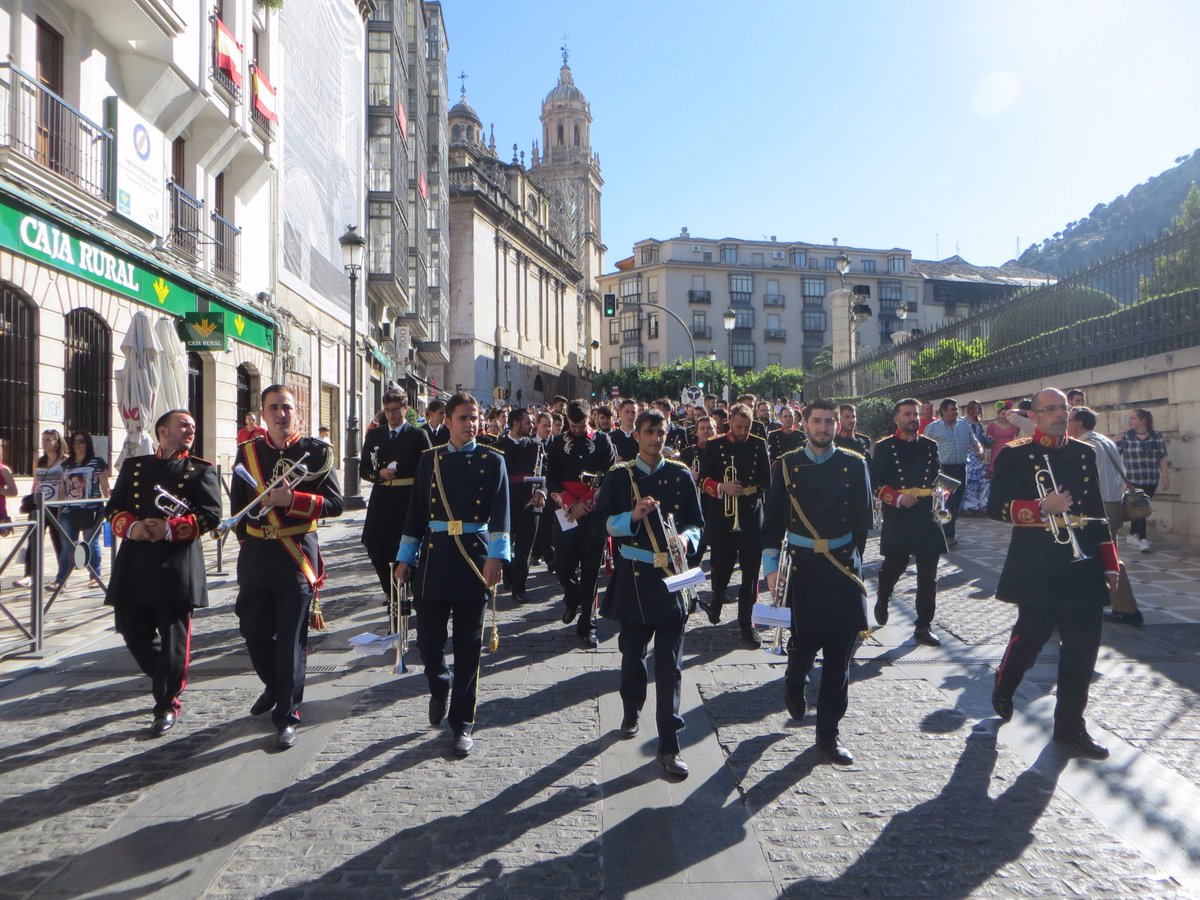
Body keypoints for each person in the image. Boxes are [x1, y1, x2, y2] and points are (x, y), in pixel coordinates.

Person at [988, 388, 1119, 759]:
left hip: (1083, 565)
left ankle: (1070, 728)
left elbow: (1096, 511)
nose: (1060, 414)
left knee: (1082, 649)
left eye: (1064, 408)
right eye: (1051, 409)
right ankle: (1004, 683)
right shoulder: (1016, 453)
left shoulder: (1084, 452)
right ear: (1034, 415)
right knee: (1030, 637)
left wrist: (1109, 560)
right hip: (1038, 563)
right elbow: (995, 507)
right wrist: (1041, 506)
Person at [394, 392, 510, 757]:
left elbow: (502, 513)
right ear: (448, 421)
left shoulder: (493, 461)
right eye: (463, 417)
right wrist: (404, 557)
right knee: (428, 643)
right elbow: (414, 512)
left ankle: (462, 723)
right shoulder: (430, 460)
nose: (470, 424)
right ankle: (439, 682)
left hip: (473, 558)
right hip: (433, 559)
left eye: (474, 417)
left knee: (468, 646)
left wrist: (498, 557)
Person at [231, 384, 343, 749]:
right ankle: (277, 685)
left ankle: (287, 715)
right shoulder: (247, 452)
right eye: (274, 408)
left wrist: (291, 499)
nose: (281, 414)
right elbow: (237, 510)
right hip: (257, 557)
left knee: (291, 640)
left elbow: (336, 504)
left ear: (299, 413)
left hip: (296, 556)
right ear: (263, 414)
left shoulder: (317, 452)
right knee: (252, 630)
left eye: (287, 407)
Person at [762, 399, 872, 765]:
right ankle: (794, 683)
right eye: (817, 421)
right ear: (805, 424)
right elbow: (773, 521)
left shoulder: (855, 465)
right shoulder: (787, 465)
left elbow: (862, 522)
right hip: (801, 567)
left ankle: (828, 734)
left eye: (829, 422)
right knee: (804, 646)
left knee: (840, 656)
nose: (823, 428)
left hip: (841, 567)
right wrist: (771, 567)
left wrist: (852, 563)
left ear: (837, 426)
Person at [596, 408, 703, 778]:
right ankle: (631, 708)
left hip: (672, 578)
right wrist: (633, 517)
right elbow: (602, 522)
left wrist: (687, 541)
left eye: (661, 432)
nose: (656, 438)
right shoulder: (619, 476)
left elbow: (696, 522)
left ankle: (670, 746)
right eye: (649, 432)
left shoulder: (680, 474)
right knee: (632, 656)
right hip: (634, 577)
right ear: (637, 436)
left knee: (670, 667)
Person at [105, 410, 221, 735]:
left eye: (194, 427)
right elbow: (113, 509)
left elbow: (211, 516)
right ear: (162, 430)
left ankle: (166, 702)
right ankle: (167, 677)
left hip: (176, 564)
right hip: (136, 562)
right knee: (132, 631)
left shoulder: (200, 470)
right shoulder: (134, 466)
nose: (190, 430)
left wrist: (170, 529)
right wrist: (135, 526)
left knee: (173, 642)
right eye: (183, 425)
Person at [870, 398, 947, 647]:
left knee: (929, 576)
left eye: (915, 414)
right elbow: (875, 483)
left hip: (926, 514)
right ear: (896, 419)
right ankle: (883, 596)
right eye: (907, 414)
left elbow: (937, 476)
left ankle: (924, 625)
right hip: (900, 513)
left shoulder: (929, 445)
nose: (913, 418)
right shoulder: (885, 447)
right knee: (895, 565)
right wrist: (897, 497)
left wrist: (944, 492)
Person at [699, 403, 771, 645]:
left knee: (750, 575)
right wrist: (722, 487)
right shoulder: (715, 444)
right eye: (739, 427)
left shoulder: (759, 444)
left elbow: (766, 482)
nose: (743, 432)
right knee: (721, 568)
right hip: (723, 515)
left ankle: (746, 624)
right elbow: (702, 481)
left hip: (751, 515)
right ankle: (717, 599)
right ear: (730, 421)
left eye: (747, 427)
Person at [546, 400, 616, 648]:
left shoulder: (602, 441)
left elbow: (610, 477)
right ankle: (572, 594)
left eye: (581, 424)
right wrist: (570, 503)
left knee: (590, 573)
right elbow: (551, 480)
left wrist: (587, 503)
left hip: (592, 513)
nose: (577, 429)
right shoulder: (556, 443)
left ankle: (587, 624)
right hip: (566, 514)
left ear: (591, 418)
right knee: (562, 566)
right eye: (573, 425)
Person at [1068, 406, 1143, 625]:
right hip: (1116, 507)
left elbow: (1080, 483)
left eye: (1069, 419)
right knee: (1109, 557)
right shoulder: (1106, 441)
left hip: (1099, 510)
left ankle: (1079, 609)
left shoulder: (1084, 446)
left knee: (1085, 557)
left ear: (1079, 423)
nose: (1066, 423)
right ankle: (1126, 609)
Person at [359, 390, 432, 603]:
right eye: (388, 411)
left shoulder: (418, 436)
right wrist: (378, 474)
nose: (392, 415)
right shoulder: (375, 435)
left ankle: (409, 595)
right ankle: (392, 594)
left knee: (408, 551)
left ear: (405, 409)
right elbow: (363, 469)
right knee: (377, 550)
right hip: (381, 502)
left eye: (396, 410)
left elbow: (428, 469)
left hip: (407, 501)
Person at [495, 407, 546, 602]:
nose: (531, 426)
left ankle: (520, 587)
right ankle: (508, 575)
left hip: (529, 503)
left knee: (525, 548)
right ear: (516, 423)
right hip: (506, 504)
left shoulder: (536, 447)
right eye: (528, 422)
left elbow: (545, 473)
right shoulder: (498, 446)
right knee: (506, 545)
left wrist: (542, 491)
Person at [920, 398, 983, 548]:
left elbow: (974, 442)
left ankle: (946, 532)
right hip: (943, 470)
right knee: (946, 502)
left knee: (957, 504)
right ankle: (946, 535)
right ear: (943, 411)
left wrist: (979, 451)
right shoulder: (933, 428)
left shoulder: (964, 425)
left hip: (960, 469)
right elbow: (924, 449)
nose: (955, 412)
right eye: (952, 409)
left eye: (956, 409)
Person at [55, 431, 111, 590]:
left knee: (91, 543)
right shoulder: (67, 464)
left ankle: (94, 576)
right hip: (69, 510)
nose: (77, 444)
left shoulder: (97, 461)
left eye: (81, 441)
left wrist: (108, 507)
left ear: (88, 443)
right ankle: (61, 580)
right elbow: (62, 487)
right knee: (67, 545)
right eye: (74, 442)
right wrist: (60, 509)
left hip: (92, 510)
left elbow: (105, 485)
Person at [14, 430, 66, 588]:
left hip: (56, 506)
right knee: (34, 540)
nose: (45, 442)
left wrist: (63, 506)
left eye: (49, 439)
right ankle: (29, 575)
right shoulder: (39, 461)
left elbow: (65, 484)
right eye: (43, 439)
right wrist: (31, 499)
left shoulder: (64, 461)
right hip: (39, 505)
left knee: (58, 542)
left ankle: (61, 579)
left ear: (57, 442)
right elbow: (36, 483)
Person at [1116, 407, 1168, 552]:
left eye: (1133, 418)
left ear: (1142, 420)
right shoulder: (1125, 437)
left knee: (1140, 509)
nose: (1129, 421)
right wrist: (1112, 441)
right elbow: (1112, 453)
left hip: (1151, 479)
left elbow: (1162, 457)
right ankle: (1143, 540)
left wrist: (1165, 477)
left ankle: (1132, 535)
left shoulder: (1156, 436)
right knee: (1141, 509)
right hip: (1133, 480)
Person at [961, 400, 991, 514]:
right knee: (971, 479)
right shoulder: (963, 421)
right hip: (968, 452)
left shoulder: (977, 422)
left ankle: (981, 503)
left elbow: (979, 437)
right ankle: (969, 505)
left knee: (981, 479)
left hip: (978, 452)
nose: (977, 411)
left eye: (979, 408)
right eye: (975, 408)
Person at [986, 402, 1020, 477]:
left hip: (1011, 453)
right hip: (996, 454)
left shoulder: (1015, 425)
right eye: (1003, 414)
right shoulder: (992, 425)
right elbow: (988, 440)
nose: (1005, 416)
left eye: (1007, 414)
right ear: (998, 414)